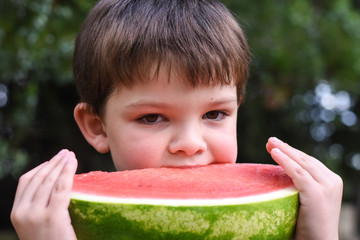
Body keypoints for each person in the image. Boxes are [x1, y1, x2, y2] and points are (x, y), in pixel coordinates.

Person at [10, 0, 343, 239]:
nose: (190, 144)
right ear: (97, 126)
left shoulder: (280, 225)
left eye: (215, 114)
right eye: (152, 117)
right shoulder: (63, 229)